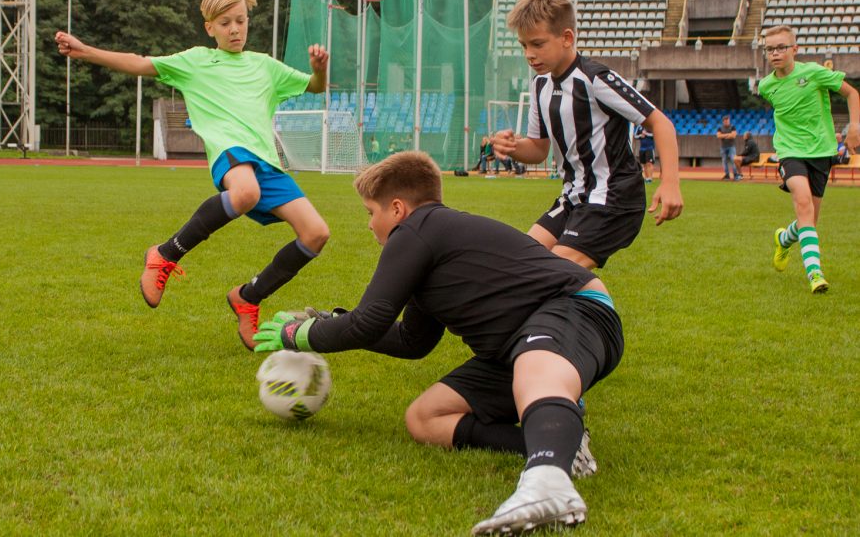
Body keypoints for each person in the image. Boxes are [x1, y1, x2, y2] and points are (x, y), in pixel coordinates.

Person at [253, 151, 623, 534]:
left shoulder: (416, 232)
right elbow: (413, 340)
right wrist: (330, 322)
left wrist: (298, 334)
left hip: (575, 309)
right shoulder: (430, 244)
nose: (369, 225)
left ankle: (546, 482)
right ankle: (563, 445)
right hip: (517, 344)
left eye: (370, 212)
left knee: (536, 369)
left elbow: (367, 322)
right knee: (425, 419)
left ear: (397, 209)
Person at [55, 0, 332, 348]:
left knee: (316, 233)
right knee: (246, 192)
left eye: (240, 21)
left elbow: (314, 87)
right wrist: (86, 51)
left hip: (266, 162)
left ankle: (248, 296)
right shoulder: (196, 61)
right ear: (210, 28)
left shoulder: (264, 66)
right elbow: (140, 62)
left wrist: (319, 69)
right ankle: (164, 254)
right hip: (231, 154)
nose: (235, 29)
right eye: (225, 23)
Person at [491, 0, 683, 271]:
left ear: (567, 38)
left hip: (614, 200)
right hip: (574, 197)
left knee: (552, 272)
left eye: (538, 44)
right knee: (520, 266)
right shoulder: (540, 84)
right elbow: (538, 148)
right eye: (524, 46)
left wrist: (670, 184)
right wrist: (514, 147)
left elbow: (661, 123)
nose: (529, 54)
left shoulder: (596, 79)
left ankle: (595, 313)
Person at [758, 24, 860, 293]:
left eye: (781, 47)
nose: (775, 53)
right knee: (802, 201)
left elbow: (852, 93)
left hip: (822, 152)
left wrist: (855, 127)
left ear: (795, 49)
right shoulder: (766, 85)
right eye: (769, 49)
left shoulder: (814, 72)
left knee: (809, 221)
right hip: (790, 153)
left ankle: (784, 238)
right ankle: (815, 274)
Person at [717, 115, 743, 180]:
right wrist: (728, 135)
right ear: (723, 121)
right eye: (725, 121)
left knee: (733, 160)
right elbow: (718, 136)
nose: (727, 122)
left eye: (728, 120)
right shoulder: (720, 128)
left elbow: (733, 135)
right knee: (724, 161)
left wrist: (723, 136)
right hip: (723, 147)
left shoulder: (732, 127)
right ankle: (727, 175)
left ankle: (735, 175)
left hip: (731, 147)